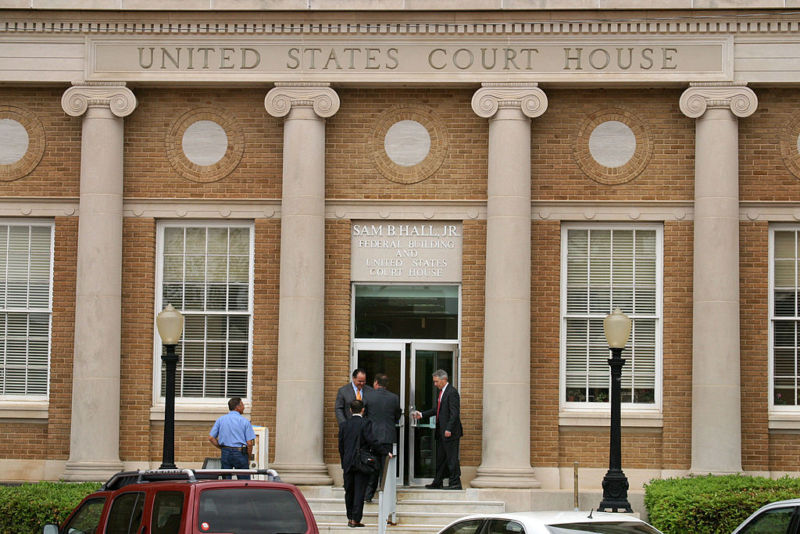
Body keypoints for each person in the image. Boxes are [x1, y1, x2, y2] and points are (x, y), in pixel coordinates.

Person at [338, 399, 392, 528]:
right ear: (363, 410)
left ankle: (350, 517)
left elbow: (341, 446)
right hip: (361, 462)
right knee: (359, 491)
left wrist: (344, 461)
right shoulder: (365, 423)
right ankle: (356, 519)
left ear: (350, 410)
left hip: (348, 462)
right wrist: (385, 452)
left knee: (349, 491)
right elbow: (371, 440)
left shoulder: (344, 425)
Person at [413, 369, 463, 490]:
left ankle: (455, 483)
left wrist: (449, 428)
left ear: (444, 379)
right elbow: (438, 409)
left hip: (450, 432)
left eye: (436, 381)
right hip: (441, 432)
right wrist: (422, 415)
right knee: (441, 458)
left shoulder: (452, 392)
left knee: (451, 458)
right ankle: (438, 481)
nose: (435, 384)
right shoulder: (442, 392)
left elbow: (454, 413)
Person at [364, 373, 402, 502]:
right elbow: (397, 415)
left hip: (372, 438)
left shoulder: (368, 396)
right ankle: (386, 496)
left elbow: (365, 416)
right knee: (386, 469)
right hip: (388, 436)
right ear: (386, 385)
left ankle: (368, 495)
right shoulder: (394, 398)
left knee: (372, 467)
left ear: (375, 383)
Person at [208, 397, 256, 479]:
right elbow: (249, 443)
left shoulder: (221, 420)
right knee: (244, 482)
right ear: (237, 407)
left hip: (225, 452)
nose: (244, 407)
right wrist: (248, 458)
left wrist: (221, 447)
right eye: (243, 405)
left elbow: (211, 438)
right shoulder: (245, 421)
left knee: (226, 481)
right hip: (240, 453)